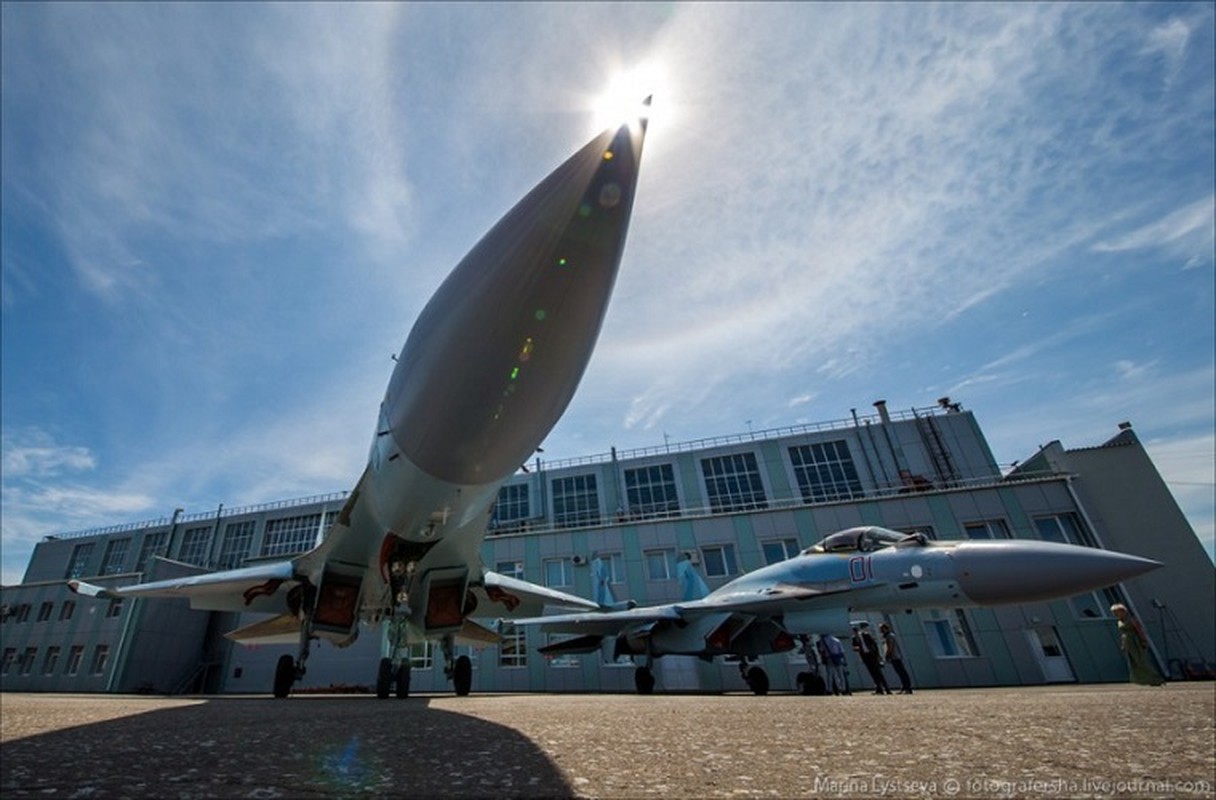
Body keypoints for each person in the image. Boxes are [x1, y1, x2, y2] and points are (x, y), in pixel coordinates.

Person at [1110, 603, 1165, 686]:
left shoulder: (1131, 620)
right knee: (1133, 662)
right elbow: (1122, 633)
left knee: (1141, 660)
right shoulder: (1119, 622)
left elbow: (1139, 630)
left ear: (1122, 611)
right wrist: (1123, 644)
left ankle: (1155, 679)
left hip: (1135, 641)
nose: (1115, 615)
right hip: (1128, 642)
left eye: (1116, 612)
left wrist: (1144, 641)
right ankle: (1142, 680)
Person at [851, 622, 891, 694]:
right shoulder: (854, 639)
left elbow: (874, 644)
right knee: (872, 673)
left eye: (855, 632)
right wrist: (856, 648)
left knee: (878, 672)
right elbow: (854, 647)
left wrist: (877, 655)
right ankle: (879, 689)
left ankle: (887, 688)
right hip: (865, 657)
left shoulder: (866, 635)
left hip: (872, 655)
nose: (855, 634)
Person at [879, 622, 913, 694]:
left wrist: (887, 655)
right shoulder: (890, 636)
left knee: (901, 672)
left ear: (885, 629)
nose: (881, 631)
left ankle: (907, 687)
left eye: (881, 629)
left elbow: (890, 647)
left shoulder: (889, 636)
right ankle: (904, 687)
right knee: (900, 672)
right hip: (895, 656)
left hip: (895, 657)